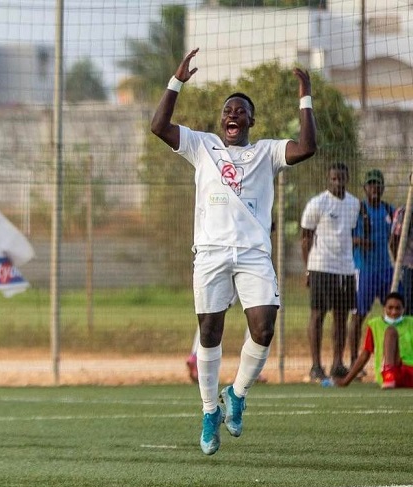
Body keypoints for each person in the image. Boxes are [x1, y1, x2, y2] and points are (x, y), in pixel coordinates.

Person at [150, 48, 316, 455]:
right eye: (228, 110)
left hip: (254, 254)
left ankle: (237, 395)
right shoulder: (200, 145)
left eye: (241, 111)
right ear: (220, 120)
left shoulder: (267, 152)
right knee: (209, 333)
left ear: (251, 121)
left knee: (264, 328)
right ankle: (209, 412)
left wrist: (305, 95)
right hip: (210, 253)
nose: (233, 115)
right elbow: (158, 126)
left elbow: (308, 147)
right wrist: (176, 82)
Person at [300, 163, 361, 383]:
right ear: (329, 179)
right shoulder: (318, 203)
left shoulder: (354, 204)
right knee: (317, 315)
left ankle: (338, 363)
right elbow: (305, 237)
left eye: (341, 178)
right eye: (334, 178)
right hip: (320, 266)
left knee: (341, 317)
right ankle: (316, 365)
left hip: (345, 267)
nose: (337, 182)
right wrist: (308, 268)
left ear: (347, 179)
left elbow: (353, 232)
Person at [346, 169, 394, 373]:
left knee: (393, 313)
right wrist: (360, 242)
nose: (375, 188)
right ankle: (355, 360)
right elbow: (345, 237)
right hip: (364, 270)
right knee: (358, 315)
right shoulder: (359, 210)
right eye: (371, 184)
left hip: (386, 270)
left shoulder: (389, 210)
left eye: (378, 184)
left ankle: (391, 359)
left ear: (382, 188)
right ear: (365, 188)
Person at [334, 292, 413, 389]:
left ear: (403, 309)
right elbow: (365, 354)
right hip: (392, 372)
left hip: (410, 371)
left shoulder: (411, 322)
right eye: (390, 308)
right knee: (391, 331)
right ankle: (389, 374)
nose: (394, 312)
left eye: (398, 308)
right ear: (384, 308)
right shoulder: (374, 325)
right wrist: (346, 380)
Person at [390, 204, 413, 315]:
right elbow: (393, 241)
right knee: (408, 305)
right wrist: (400, 264)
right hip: (409, 267)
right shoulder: (404, 212)